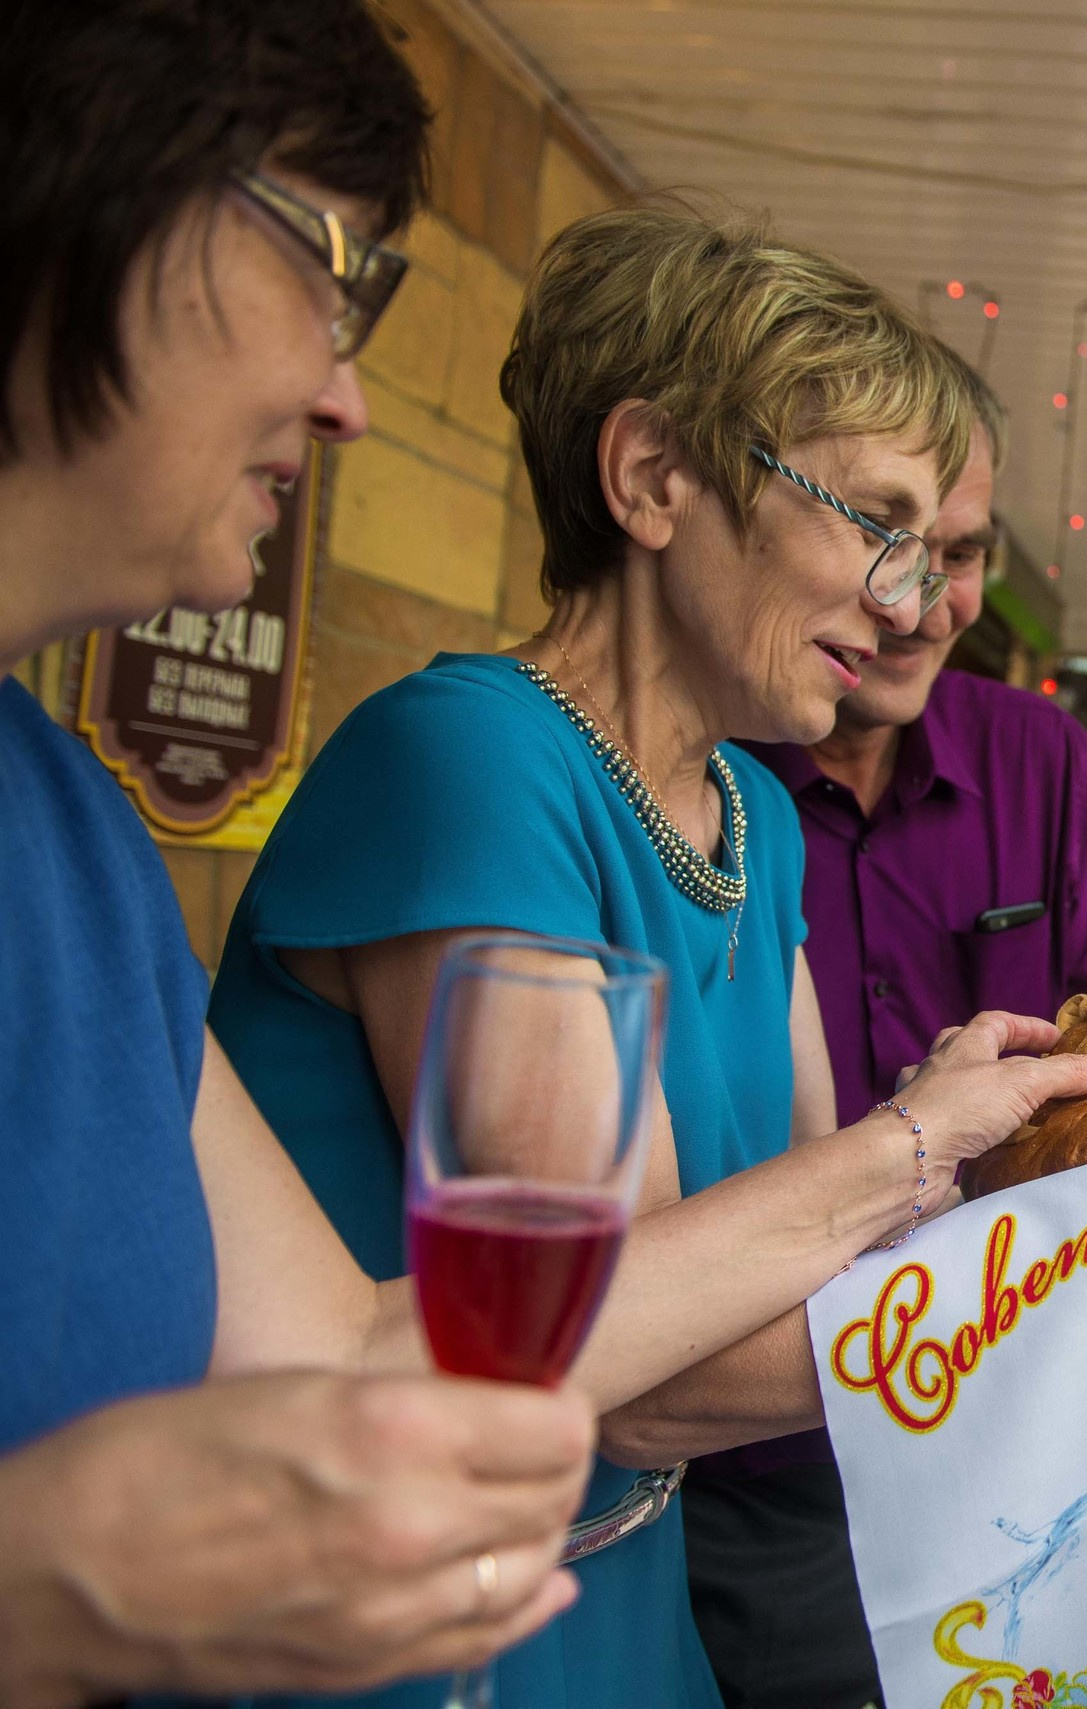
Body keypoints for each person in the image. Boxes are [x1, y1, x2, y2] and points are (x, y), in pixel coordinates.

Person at [205, 207, 1087, 1708]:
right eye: (874, 521)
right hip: (414, 1619)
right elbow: (632, 1364)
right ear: (652, 478)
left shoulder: (753, 806)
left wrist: (947, 1160)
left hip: (634, 1592)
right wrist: (1034, 1259)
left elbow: (819, 1259)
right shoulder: (472, 761)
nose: (906, 600)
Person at [0, 4, 603, 1700]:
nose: (346, 398)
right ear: (90, 190)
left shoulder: (78, 833)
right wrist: (46, 1578)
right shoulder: (461, 750)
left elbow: (343, 1344)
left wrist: (931, 1158)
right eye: (334, 275)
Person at [686, 359, 1087, 1706]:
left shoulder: (1042, 757)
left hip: (1001, 1437)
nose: (921, 601)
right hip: (744, 1461)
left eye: (961, 554)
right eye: (886, 541)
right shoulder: (706, 780)